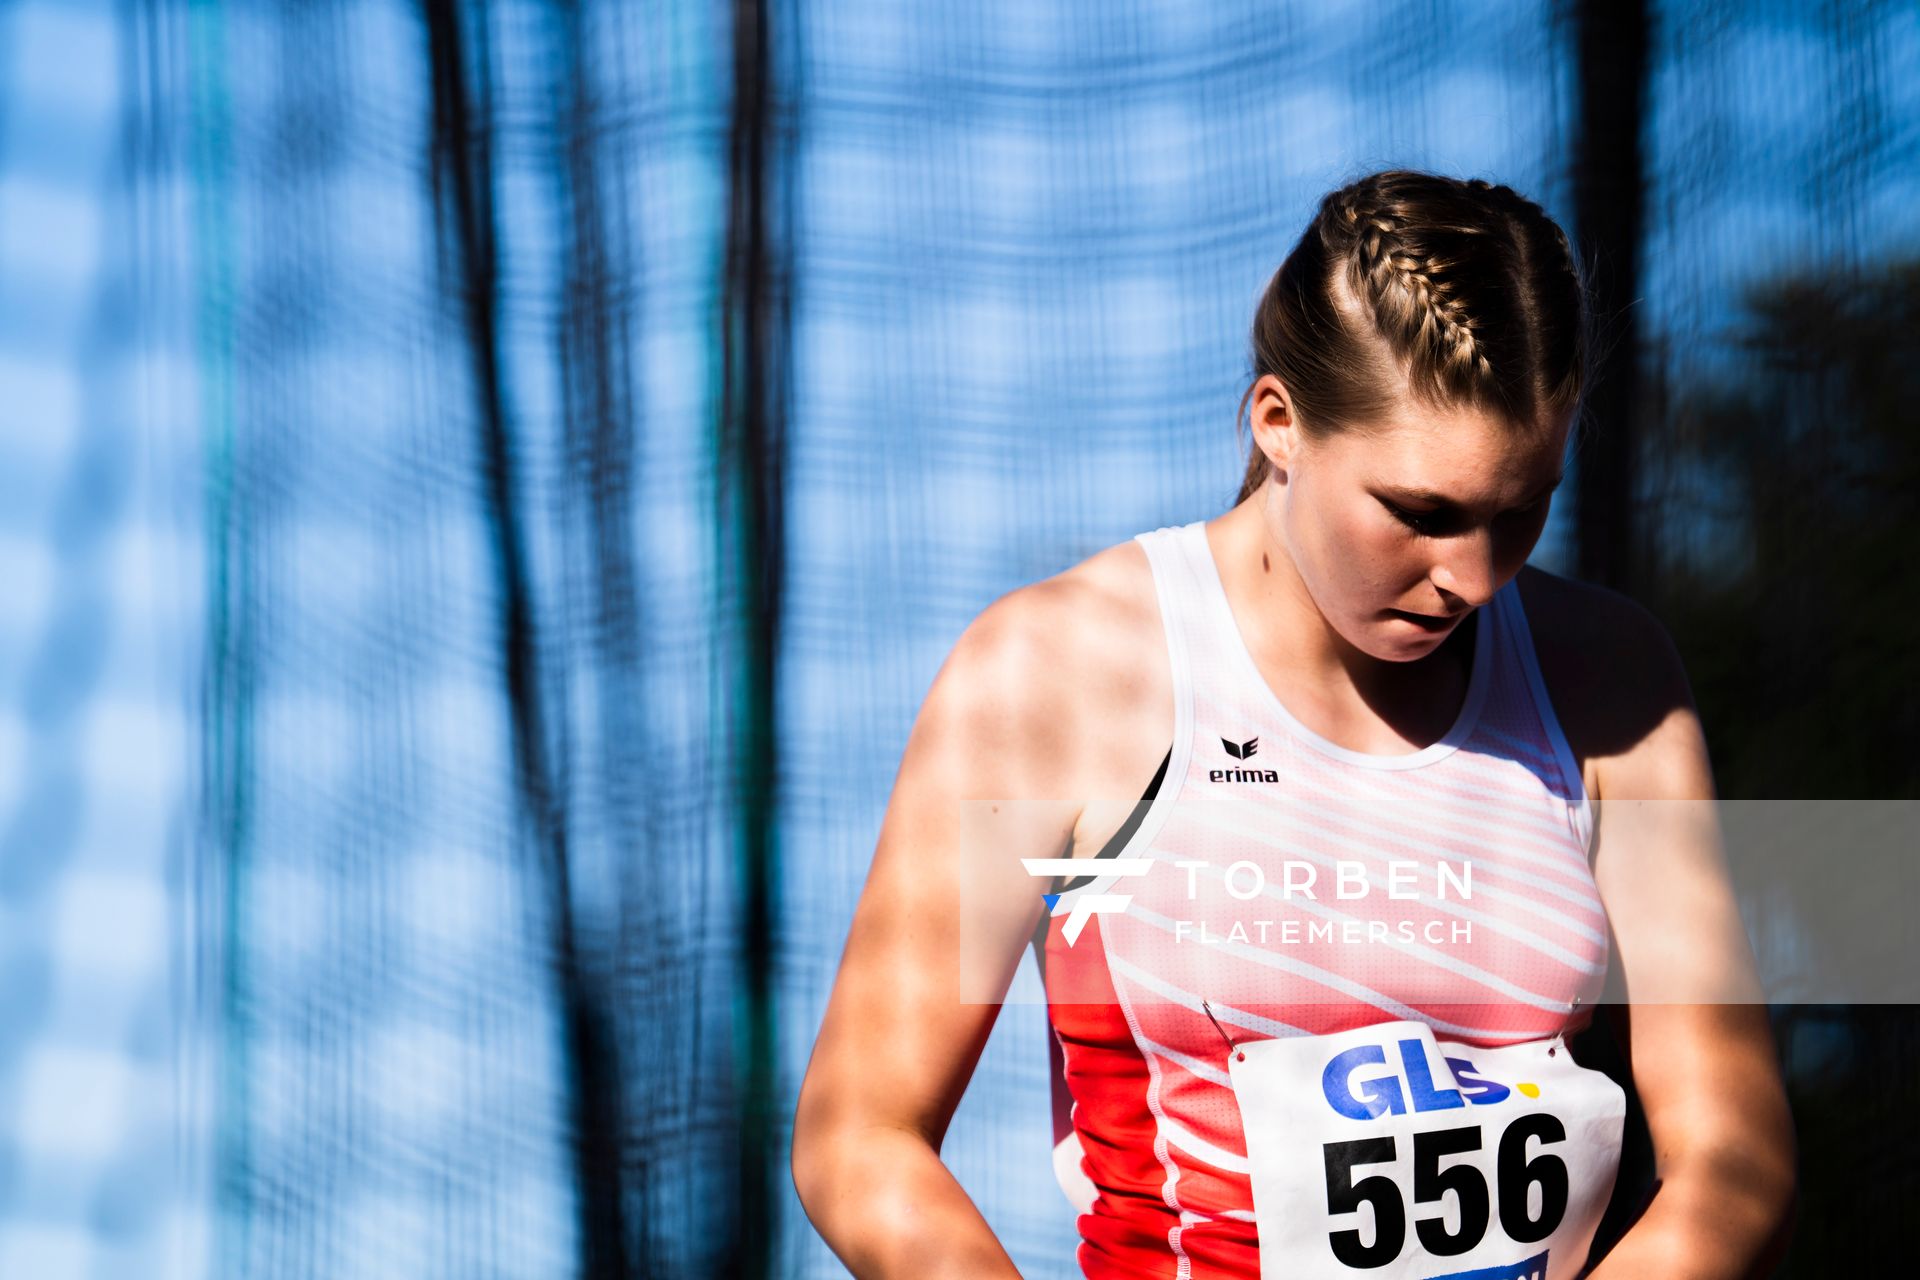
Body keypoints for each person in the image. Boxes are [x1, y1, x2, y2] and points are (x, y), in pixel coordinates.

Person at [790, 169, 1795, 1279]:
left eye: (1521, 510)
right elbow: (859, 1137)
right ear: (1281, 422)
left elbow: (1730, 1148)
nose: (1471, 575)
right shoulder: (1057, 674)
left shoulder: (1610, 677)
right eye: (1422, 512)